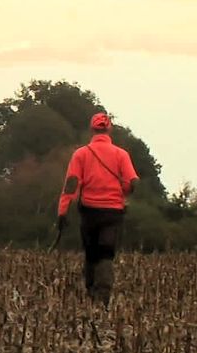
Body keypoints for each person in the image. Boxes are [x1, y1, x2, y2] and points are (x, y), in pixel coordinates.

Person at [57, 112, 138, 306]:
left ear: (92, 129)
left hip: (89, 211)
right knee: (106, 252)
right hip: (113, 212)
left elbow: (71, 184)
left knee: (91, 252)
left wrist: (62, 211)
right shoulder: (121, 154)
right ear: (109, 129)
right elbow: (132, 181)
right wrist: (123, 192)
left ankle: (91, 293)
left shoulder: (81, 154)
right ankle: (103, 296)